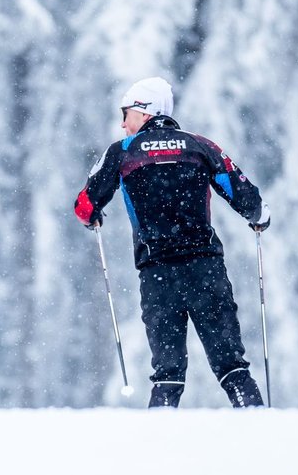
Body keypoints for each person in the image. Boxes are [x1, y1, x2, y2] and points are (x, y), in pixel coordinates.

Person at [74, 77, 270, 408]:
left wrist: (93, 217)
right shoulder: (201, 146)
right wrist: (258, 218)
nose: (123, 123)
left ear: (145, 111)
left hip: (159, 275)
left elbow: (84, 206)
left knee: (167, 376)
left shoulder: (123, 152)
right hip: (206, 269)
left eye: (126, 114)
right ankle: (260, 433)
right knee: (233, 369)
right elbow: (252, 202)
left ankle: (157, 446)